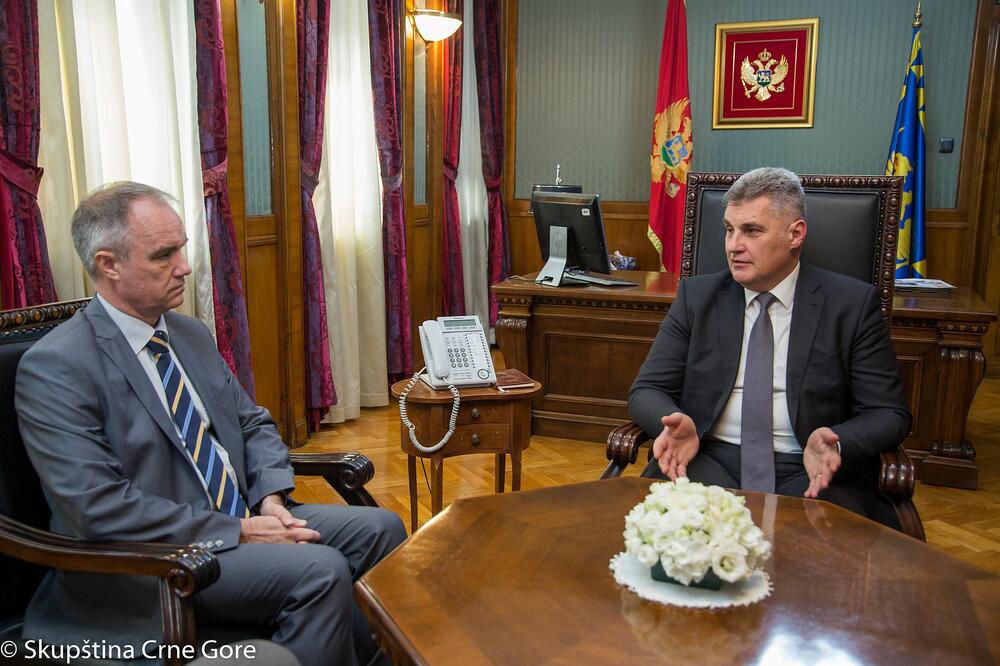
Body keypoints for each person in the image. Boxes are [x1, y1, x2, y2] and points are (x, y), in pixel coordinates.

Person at [15, 182, 406, 666]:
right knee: (318, 569)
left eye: (181, 247)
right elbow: (96, 509)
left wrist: (270, 497)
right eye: (163, 255)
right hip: (153, 559)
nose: (184, 266)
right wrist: (240, 530)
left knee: (382, 530)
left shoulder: (187, 333)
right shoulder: (57, 365)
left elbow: (252, 424)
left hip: (239, 515)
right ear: (107, 265)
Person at [629, 167, 910, 527]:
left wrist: (838, 441)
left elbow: (889, 412)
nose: (733, 245)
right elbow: (647, 389)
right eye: (729, 230)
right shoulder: (697, 298)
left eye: (752, 231)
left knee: (830, 563)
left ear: (795, 234)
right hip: (705, 457)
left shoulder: (850, 305)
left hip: (809, 468)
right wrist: (671, 420)